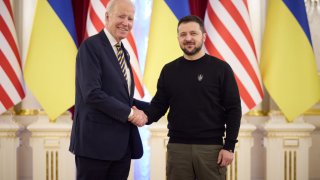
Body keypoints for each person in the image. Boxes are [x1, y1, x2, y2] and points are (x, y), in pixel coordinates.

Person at [144, 15, 242, 180]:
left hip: (212, 150)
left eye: (193, 33)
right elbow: (158, 106)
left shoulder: (221, 69)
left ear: (203, 36)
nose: (188, 38)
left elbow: (234, 110)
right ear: (178, 38)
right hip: (177, 148)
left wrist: (229, 146)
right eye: (183, 35)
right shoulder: (169, 70)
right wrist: (139, 115)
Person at [69, 0, 148, 179]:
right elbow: (92, 94)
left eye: (130, 18)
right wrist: (131, 114)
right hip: (95, 147)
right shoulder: (91, 47)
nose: (126, 23)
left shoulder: (123, 52)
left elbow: (122, 98)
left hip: (121, 148)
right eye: (121, 16)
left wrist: (158, 106)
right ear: (107, 16)